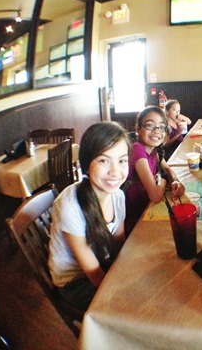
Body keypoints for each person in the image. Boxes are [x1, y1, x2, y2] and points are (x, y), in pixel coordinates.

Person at [48, 121, 131, 311]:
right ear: (86, 164)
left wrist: (129, 270)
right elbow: (95, 277)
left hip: (104, 262)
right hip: (75, 282)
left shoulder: (117, 195)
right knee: (133, 307)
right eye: (103, 160)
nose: (115, 172)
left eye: (122, 160)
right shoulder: (70, 205)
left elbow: (119, 241)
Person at [124, 106, 185, 233]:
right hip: (134, 220)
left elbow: (167, 168)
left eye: (161, 127)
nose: (157, 131)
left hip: (146, 208)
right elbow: (155, 196)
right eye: (150, 125)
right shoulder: (137, 149)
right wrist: (163, 181)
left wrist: (175, 181)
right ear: (138, 129)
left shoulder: (154, 150)